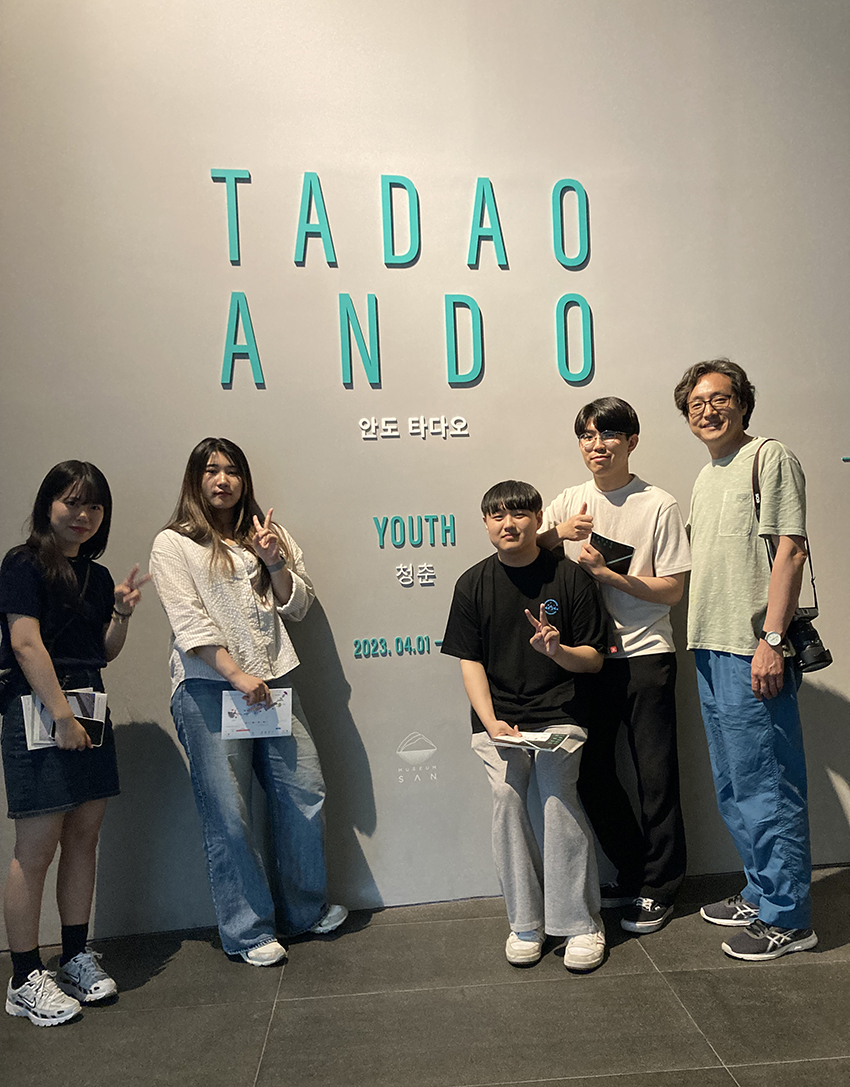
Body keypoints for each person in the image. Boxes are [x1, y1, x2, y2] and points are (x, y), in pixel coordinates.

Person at [149, 437, 346, 968]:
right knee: (229, 814)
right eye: (211, 470)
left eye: (232, 470)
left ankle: (304, 911)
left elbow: (298, 606)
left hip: (272, 682)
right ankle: (249, 931)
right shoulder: (173, 542)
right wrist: (236, 675)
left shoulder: (265, 534)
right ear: (195, 479)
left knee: (304, 793)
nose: (223, 480)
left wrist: (274, 561)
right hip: (208, 687)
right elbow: (188, 619)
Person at [674, 358, 817, 960]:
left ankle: (790, 919)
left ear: (743, 403)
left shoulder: (769, 456)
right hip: (711, 647)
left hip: (752, 647)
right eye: (696, 403)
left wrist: (773, 640)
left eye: (720, 398)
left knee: (768, 788)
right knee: (735, 786)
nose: (708, 410)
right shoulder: (707, 475)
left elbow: (791, 550)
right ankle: (761, 891)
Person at [1, 461, 149, 1026]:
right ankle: (23, 978)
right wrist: (61, 715)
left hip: (90, 705)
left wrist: (121, 614)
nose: (83, 514)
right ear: (48, 505)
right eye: (72, 502)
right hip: (40, 707)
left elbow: (102, 652)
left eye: (94, 506)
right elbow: (25, 643)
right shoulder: (22, 564)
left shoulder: (97, 574)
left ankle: (74, 957)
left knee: (84, 837)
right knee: (35, 847)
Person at [441, 481, 608, 971]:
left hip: (561, 713)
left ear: (538, 519)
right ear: (486, 524)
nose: (507, 524)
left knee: (557, 798)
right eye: (497, 516)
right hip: (499, 718)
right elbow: (469, 661)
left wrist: (558, 651)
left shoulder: (571, 578)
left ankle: (580, 923)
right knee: (508, 799)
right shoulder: (472, 583)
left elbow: (594, 659)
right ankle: (526, 923)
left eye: (518, 514)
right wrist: (491, 721)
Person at [538, 397, 691, 934]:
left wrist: (610, 577)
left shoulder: (658, 504)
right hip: (588, 661)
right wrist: (558, 533)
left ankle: (661, 887)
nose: (596, 445)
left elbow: (672, 590)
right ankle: (632, 871)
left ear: (631, 441)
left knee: (656, 777)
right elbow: (526, 550)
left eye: (607, 435)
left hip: (646, 655)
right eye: (586, 435)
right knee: (592, 773)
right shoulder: (570, 500)